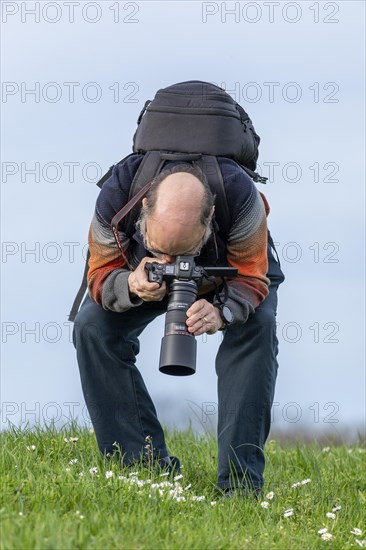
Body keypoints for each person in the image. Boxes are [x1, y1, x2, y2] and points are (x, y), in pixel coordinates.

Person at [73, 155, 285, 495]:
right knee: (92, 328)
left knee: (257, 329)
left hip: (229, 275)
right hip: (139, 275)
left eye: (183, 252)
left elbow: (253, 277)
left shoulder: (242, 199)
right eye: (160, 250)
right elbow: (98, 274)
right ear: (144, 207)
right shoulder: (115, 198)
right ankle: (141, 469)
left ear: (210, 217)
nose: (172, 264)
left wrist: (224, 311)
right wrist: (129, 284)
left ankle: (240, 485)